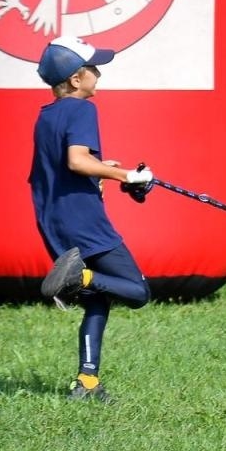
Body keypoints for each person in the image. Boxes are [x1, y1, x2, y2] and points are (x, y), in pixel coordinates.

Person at [31, 35, 153, 402]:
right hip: (85, 221)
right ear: (75, 79)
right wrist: (128, 176)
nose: (99, 73)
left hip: (56, 221)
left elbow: (64, 169)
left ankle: (86, 383)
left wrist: (102, 171)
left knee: (99, 297)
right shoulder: (83, 110)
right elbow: (76, 161)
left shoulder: (47, 115)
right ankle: (78, 276)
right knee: (138, 292)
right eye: (93, 69)